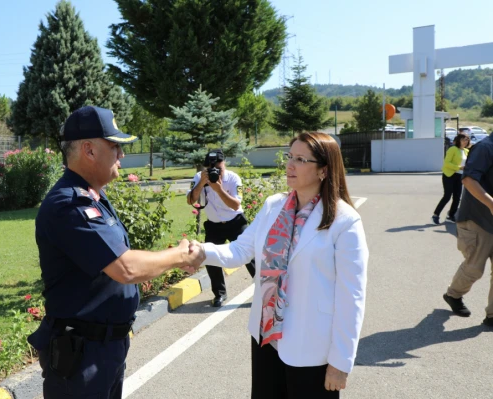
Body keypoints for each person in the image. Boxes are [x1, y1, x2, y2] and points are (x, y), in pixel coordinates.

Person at [28, 105, 204, 399]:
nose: (121, 155)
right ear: (89, 150)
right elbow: (126, 269)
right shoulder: (69, 203)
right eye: (115, 146)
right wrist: (180, 256)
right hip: (82, 356)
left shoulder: (93, 196)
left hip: (103, 349)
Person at [189, 132, 369, 398]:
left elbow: (351, 297)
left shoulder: (345, 222)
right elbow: (240, 250)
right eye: (290, 156)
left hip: (311, 346)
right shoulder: (274, 206)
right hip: (266, 336)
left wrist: (340, 362)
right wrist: (200, 251)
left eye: (300, 159)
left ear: (324, 170)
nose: (290, 165)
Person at [187, 149, 256, 307]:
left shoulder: (233, 178)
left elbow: (236, 205)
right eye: (211, 168)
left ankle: (264, 291)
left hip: (235, 222)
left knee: (250, 256)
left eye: (218, 167)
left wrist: (218, 189)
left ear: (224, 163)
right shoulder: (199, 178)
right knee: (210, 257)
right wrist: (201, 184)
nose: (215, 171)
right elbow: (190, 201)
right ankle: (219, 294)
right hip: (214, 225)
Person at [442, 130, 493, 328]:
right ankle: (453, 295)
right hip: (477, 219)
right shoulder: (485, 148)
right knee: (474, 267)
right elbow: (469, 180)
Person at [432, 133, 470, 224]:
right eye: (464, 139)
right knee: (447, 196)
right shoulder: (453, 149)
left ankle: (451, 216)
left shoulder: (466, 151)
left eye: (467, 140)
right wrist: (459, 167)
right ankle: (435, 215)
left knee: (457, 197)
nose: (466, 141)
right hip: (449, 175)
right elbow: (447, 163)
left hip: (459, 176)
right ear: (458, 140)